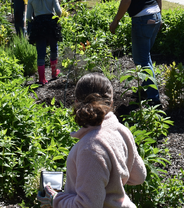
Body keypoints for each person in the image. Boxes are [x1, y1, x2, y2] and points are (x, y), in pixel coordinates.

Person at [37, 73, 147, 208]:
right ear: (111, 103)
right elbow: (139, 176)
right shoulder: (121, 131)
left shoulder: (90, 148)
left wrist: (55, 199)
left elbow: (86, 206)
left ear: (77, 103)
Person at [109, 0, 162, 103]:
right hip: (156, 15)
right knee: (145, 56)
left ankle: (154, 99)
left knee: (142, 60)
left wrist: (116, 20)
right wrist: (159, 16)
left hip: (142, 19)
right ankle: (147, 89)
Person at [26, 0, 63, 85]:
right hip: (51, 24)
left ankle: (42, 78)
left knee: (40, 52)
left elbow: (28, 17)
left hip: (39, 26)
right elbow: (59, 12)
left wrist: (35, 20)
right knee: (53, 49)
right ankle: (54, 73)